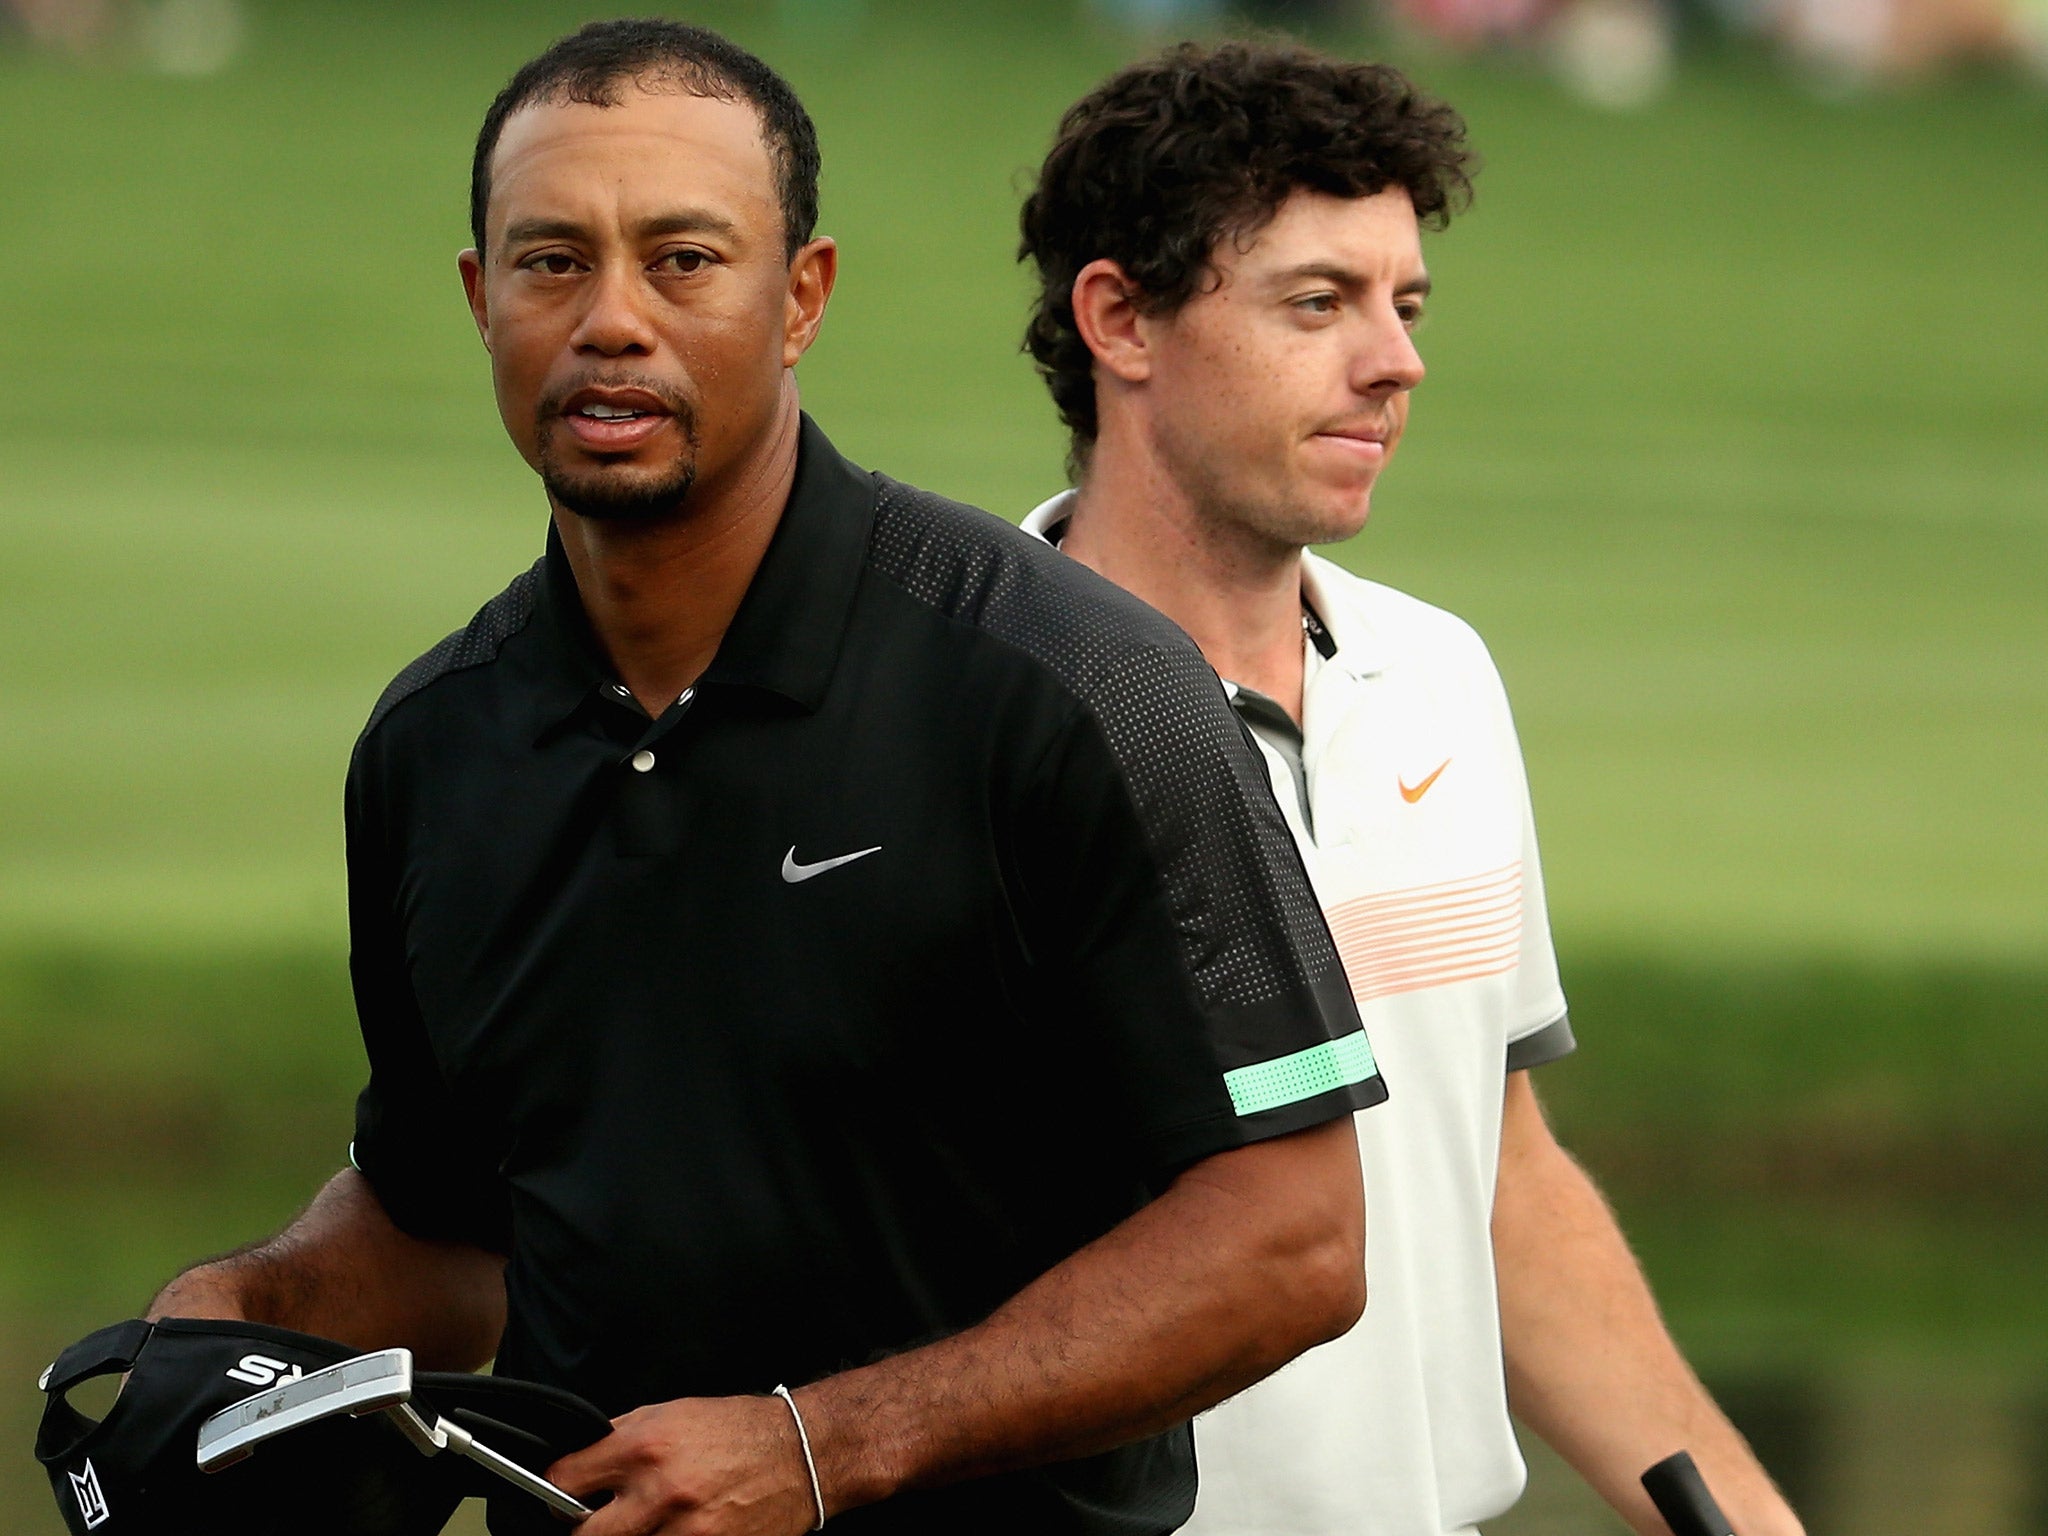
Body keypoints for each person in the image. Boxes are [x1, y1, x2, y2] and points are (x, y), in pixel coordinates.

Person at [144, 21, 1391, 1536]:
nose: (612, 321)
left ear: (801, 299)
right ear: (480, 301)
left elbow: (1293, 1242)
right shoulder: (434, 749)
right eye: (551, 263)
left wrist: (818, 1446)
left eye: (684, 260)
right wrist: (235, 1321)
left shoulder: (1078, 688)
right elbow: (452, 1232)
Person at [1016, 41, 1806, 1536]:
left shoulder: (1438, 675)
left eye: (1406, 304)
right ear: (1119, 319)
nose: (1396, 360)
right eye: (1319, 303)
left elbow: (1498, 1178)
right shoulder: (961, 718)